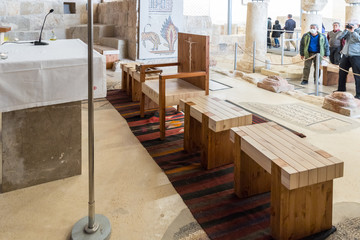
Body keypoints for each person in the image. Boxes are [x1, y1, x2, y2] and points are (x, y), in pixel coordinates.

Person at [335, 20, 360, 99]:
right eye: (349, 24)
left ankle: (359, 94)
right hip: (346, 55)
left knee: (357, 75)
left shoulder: (358, 32)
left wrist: (353, 32)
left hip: (356, 56)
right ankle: (341, 89)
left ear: (358, 25)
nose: (350, 26)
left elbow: (358, 39)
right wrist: (345, 30)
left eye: (352, 24)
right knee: (342, 72)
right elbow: (338, 37)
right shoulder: (347, 31)